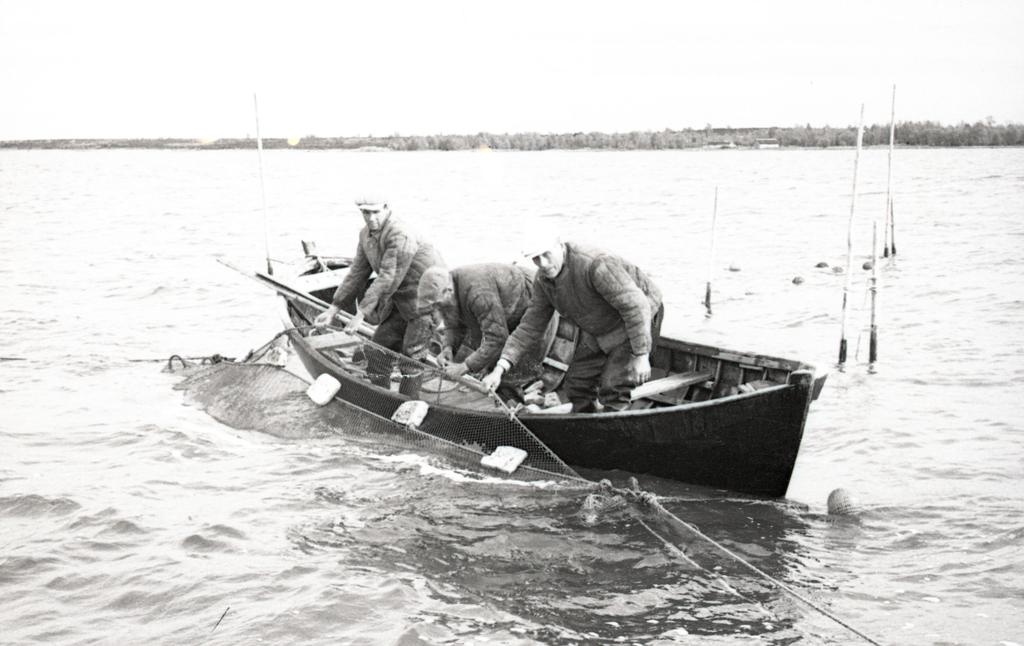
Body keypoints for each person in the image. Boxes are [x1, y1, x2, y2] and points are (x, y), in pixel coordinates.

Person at [481, 235, 663, 412]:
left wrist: (641, 355)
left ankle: (615, 426)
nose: (543, 263)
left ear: (560, 245)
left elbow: (636, 307)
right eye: (535, 258)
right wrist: (499, 369)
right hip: (597, 323)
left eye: (546, 254)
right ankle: (586, 426)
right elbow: (529, 327)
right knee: (576, 383)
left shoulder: (596, 264)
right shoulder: (544, 281)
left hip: (638, 318)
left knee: (613, 386)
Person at [314, 196, 445, 389]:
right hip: (400, 299)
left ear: (386, 208)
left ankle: (408, 403)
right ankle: (381, 397)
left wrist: (361, 314)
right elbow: (357, 273)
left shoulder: (400, 234)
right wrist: (333, 309)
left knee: (411, 359)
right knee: (376, 353)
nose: (371, 217)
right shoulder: (366, 235)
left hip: (428, 301)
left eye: (375, 212)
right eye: (366, 212)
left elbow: (388, 277)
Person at [415, 263, 537, 380]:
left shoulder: (478, 294)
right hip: (499, 304)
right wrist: (448, 347)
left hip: (530, 296)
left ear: (448, 291)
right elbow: (453, 323)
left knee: (514, 372)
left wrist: (465, 367)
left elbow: (497, 338)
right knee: (482, 346)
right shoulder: (449, 288)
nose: (438, 310)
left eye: (438, 304)